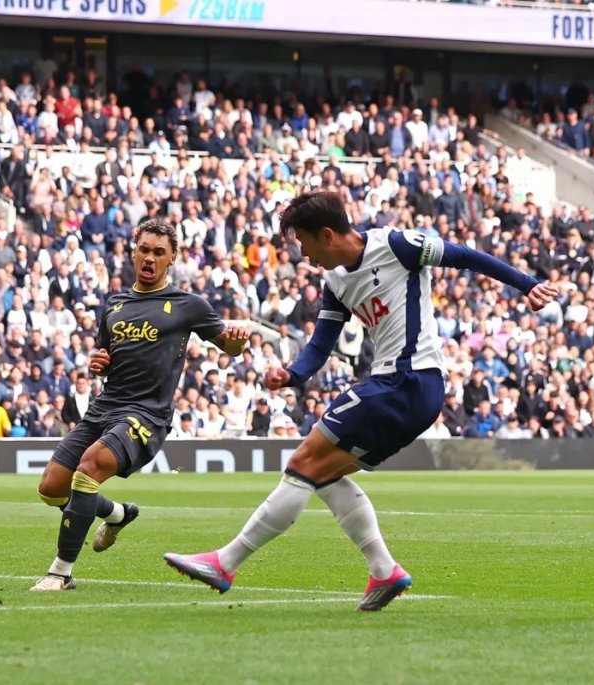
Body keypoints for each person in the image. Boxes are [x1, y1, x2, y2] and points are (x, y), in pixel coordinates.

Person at [164, 191, 557, 611]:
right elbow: (321, 342)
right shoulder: (335, 280)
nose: (303, 253)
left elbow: (465, 255)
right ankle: (384, 569)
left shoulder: (397, 245)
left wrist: (528, 285)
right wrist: (293, 374)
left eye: (304, 242)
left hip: (406, 380)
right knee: (322, 473)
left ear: (328, 235)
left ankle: (225, 563)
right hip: (407, 390)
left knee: (302, 463)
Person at [30, 218, 249, 591]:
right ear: (134, 252)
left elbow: (230, 346)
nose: (149, 258)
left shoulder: (188, 305)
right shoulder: (115, 304)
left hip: (146, 413)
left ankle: (60, 573)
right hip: (104, 408)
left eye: (158, 252)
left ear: (172, 258)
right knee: (52, 489)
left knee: (88, 471)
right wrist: (98, 363)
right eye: (144, 250)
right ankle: (117, 514)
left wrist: (239, 340)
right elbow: (106, 357)